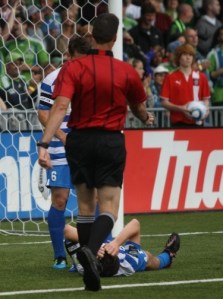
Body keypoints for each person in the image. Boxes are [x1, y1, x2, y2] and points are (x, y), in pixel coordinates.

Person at [38, 13, 154, 292]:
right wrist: (145, 116)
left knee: (86, 208)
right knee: (110, 207)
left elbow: (60, 107)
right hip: (109, 141)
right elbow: (139, 107)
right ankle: (90, 252)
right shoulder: (125, 71)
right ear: (114, 39)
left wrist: (44, 145)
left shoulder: (73, 69)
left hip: (78, 141)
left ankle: (88, 263)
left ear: (91, 37)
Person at [38, 36, 92, 269]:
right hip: (62, 145)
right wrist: (62, 137)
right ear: (69, 55)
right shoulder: (52, 79)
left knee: (93, 199)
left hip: (88, 142)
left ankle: (96, 249)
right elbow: (43, 113)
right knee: (60, 199)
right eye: (79, 59)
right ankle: (59, 254)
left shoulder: (93, 77)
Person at [64, 218, 180, 277]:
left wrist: (92, 245)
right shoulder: (129, 263)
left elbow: (67, 230)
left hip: (88, 262)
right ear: (117, 256)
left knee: (73, 242)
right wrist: (116, 243)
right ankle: (169, 255)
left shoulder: (84, 267)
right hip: (130, 258)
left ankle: (78, 260)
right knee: (150, 259)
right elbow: (135, 223)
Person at [160, 43, 211, 128]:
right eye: (185, 54)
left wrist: (205, 110)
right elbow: (164, 102)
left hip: (197, 122)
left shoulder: (201, 77)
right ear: (178, 57)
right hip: (178, 123)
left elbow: (206, 99)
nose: (188, 58)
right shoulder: (170, 77)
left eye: (190, 55)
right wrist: (180, 108)